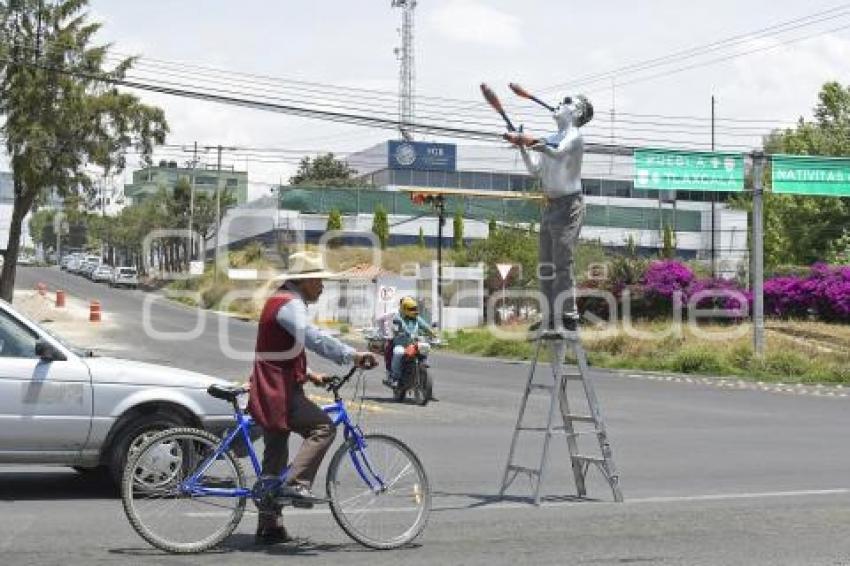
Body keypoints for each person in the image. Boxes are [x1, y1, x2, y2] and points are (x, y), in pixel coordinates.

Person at [247, 251, 377, 545]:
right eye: (318, 280)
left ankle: (270, 526)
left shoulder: (281, 300)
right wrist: (350, 355)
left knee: (276, 455)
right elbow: (311, 336)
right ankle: (297, 483)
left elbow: (282, 349)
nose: (322, 286)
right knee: (323, 428)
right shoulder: (289, 304)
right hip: (278, 390)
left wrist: (310, 375)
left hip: (273, 386)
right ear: (304, 281)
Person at [512, 94, 593, 332]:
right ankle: (548, 315)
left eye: (567, 102)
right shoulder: (551, 138)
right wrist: (523, 148)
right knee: (545, 265)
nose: (559, 103)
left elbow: (557, 152)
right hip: (550, 205)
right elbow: (535, 171)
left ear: (577, 113)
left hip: (569, 205)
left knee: (562, 263)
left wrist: (528, 140)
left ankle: (568, 314)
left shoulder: (575, 137)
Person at [387, 296, 435, 385]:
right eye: (411, 309)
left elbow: (425, 326)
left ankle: (422, 365)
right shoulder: (398, 318)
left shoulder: (416, 318)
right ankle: (395, 377)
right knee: (398, 353)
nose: (415, 311)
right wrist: (398, 332)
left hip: (413, 344)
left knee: (424, 348)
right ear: (404, 309)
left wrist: (433, 334)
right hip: (401, 345)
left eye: (415, 308)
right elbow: (395, 328)